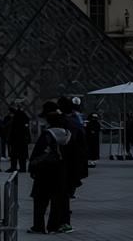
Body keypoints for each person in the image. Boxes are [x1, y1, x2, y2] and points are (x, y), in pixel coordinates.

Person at [27, 101, 71, 235]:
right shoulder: (67, 135)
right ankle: (54, 226)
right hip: (60, 171)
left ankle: (39, 226)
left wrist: (32, 168)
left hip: (44, 171)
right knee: (57, 200)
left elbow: (37, 153)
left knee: (40, 200)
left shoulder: (46, 134)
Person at [56, 96, 87, 232]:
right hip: (74, 162)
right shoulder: (76, 123)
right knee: (65, 194)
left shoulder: (61, 123)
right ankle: (63, 220)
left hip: (62, 163)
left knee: (61, 194)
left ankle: (62, 221)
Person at [6, 101, 31, 173]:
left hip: (18, 138)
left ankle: (15, 167)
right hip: (20, 138)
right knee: (19, 154)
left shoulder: (18, 115)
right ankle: (20, 168)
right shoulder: (22, 115)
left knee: (17, 154)